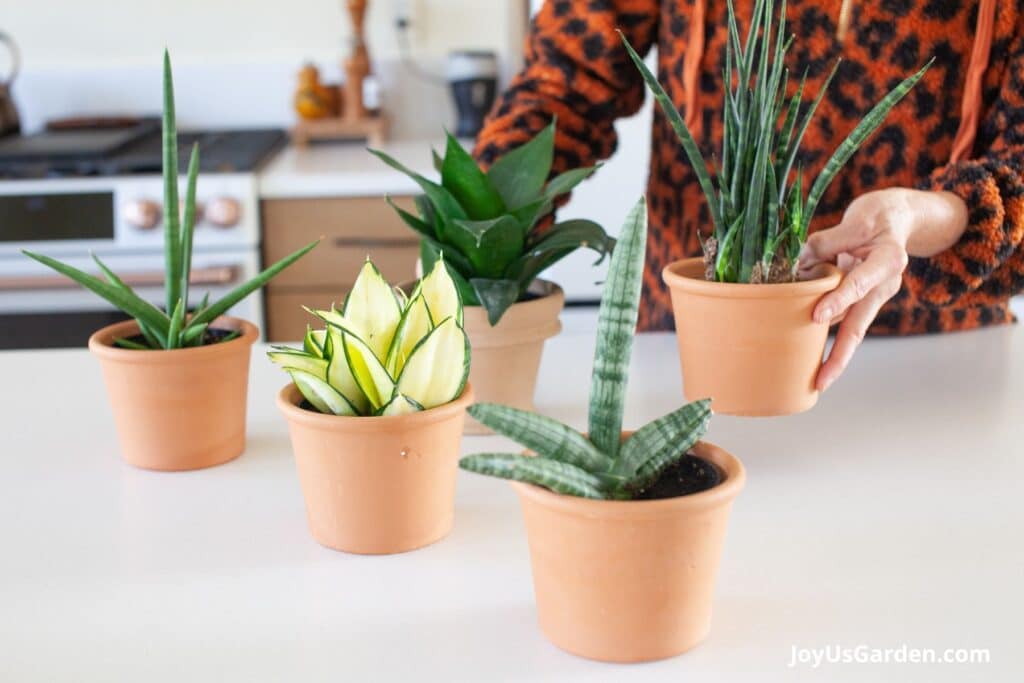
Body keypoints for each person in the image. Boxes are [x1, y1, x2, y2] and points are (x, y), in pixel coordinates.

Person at [473, 0, 1023, 391]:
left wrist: (930, 215)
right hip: (694, 337)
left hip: (942, 361)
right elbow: (564, 81)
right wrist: (479, 225)